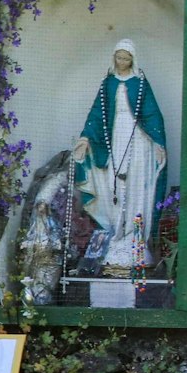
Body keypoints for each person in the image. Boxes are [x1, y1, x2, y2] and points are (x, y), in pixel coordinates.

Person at [72, 39, 168, 276]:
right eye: (119, 57)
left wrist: (158, 144)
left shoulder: (140, 83)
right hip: (115, 137)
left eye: (126, 58)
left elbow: (153, 114)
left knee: (135, 184)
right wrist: (85, 138)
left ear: (133, 60)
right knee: (115, 182)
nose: (122, 62)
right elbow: (97, 112)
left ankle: (135, 236)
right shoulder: (108, 83)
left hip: (138, 140)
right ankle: (116, 231)